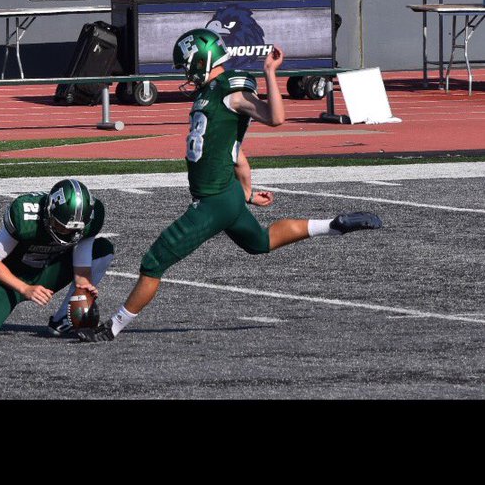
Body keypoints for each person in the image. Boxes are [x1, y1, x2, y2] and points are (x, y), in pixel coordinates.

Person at [71, 28, 381, 342]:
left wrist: (270, 74)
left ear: (201, 59)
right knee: (259, 241)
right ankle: (334, 225)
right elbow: (236, 154)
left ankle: (111, 328)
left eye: (188, 65)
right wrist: (245, 192)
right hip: (228, 193)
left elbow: (275, 118)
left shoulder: (231, 90)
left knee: (154, 262)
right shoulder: (210, 91)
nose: (187, 73)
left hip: (213, 200)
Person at [0, 177, 114, 338]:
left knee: (102, 249)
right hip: (12, 276)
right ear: (49, 211)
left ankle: (63, 319)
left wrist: (83, 284)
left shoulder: (92, 217)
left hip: (50, 270)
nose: (67, 233)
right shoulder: (25, 215)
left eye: (73, 230)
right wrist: (24, 288)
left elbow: (82, 258)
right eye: (60, 226)